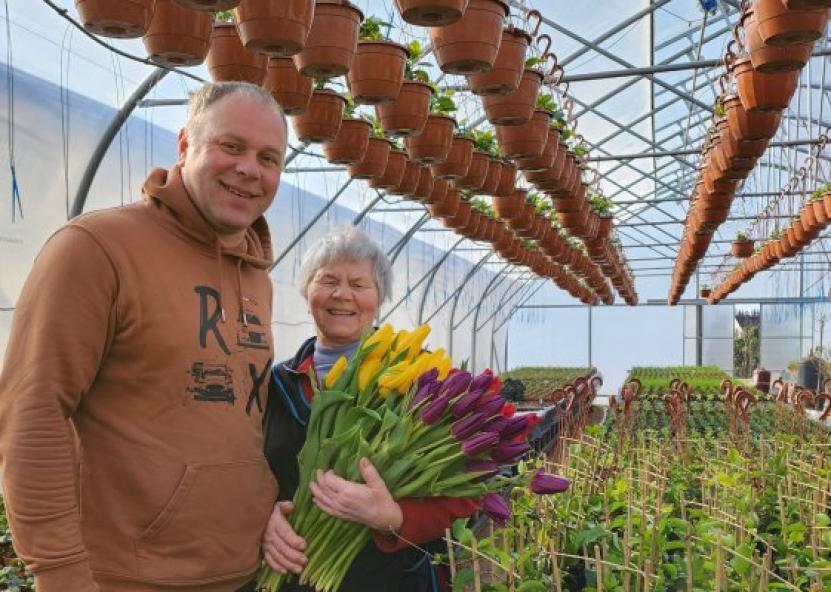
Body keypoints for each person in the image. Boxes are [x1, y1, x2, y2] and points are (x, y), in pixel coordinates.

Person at [0, 81, 288, 592]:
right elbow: (33, 411)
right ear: (184, 146)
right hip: (128, 577)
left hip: (242, 573)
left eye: (269, 157)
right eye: (231, 146)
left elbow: (235, 420)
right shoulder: (96, 249)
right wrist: (61, 572)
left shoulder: (256, 278)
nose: (250, 169)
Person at [262, 227, 479, 592]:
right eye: (327, 280)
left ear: (379, 297)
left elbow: (470, 494)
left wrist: (394, 517)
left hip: (389, 578)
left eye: (358, 284)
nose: (341, 294)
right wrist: (261, 516)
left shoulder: (427, 382)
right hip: (287, 574)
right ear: (306, 292)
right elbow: (242, 469)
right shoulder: (276, 384)